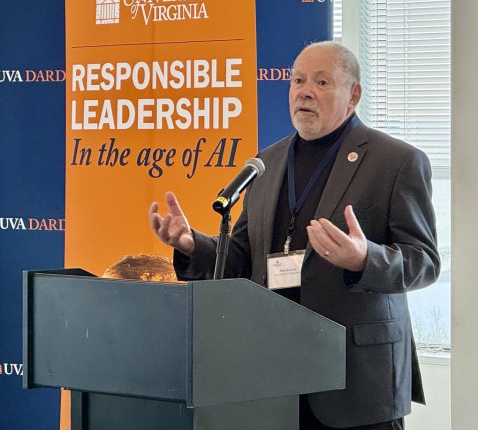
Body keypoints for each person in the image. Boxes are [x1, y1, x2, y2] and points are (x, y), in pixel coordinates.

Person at [148, 41, 440, 430]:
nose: (304, 90)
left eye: (321, 81)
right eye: (298, 80)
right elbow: (241, 255)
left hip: (355, 379)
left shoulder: (396, 161)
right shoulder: (265, 163)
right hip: (274, 373)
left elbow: (424, 260)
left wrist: (364, 259)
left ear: (353, 94)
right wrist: (190, 244)